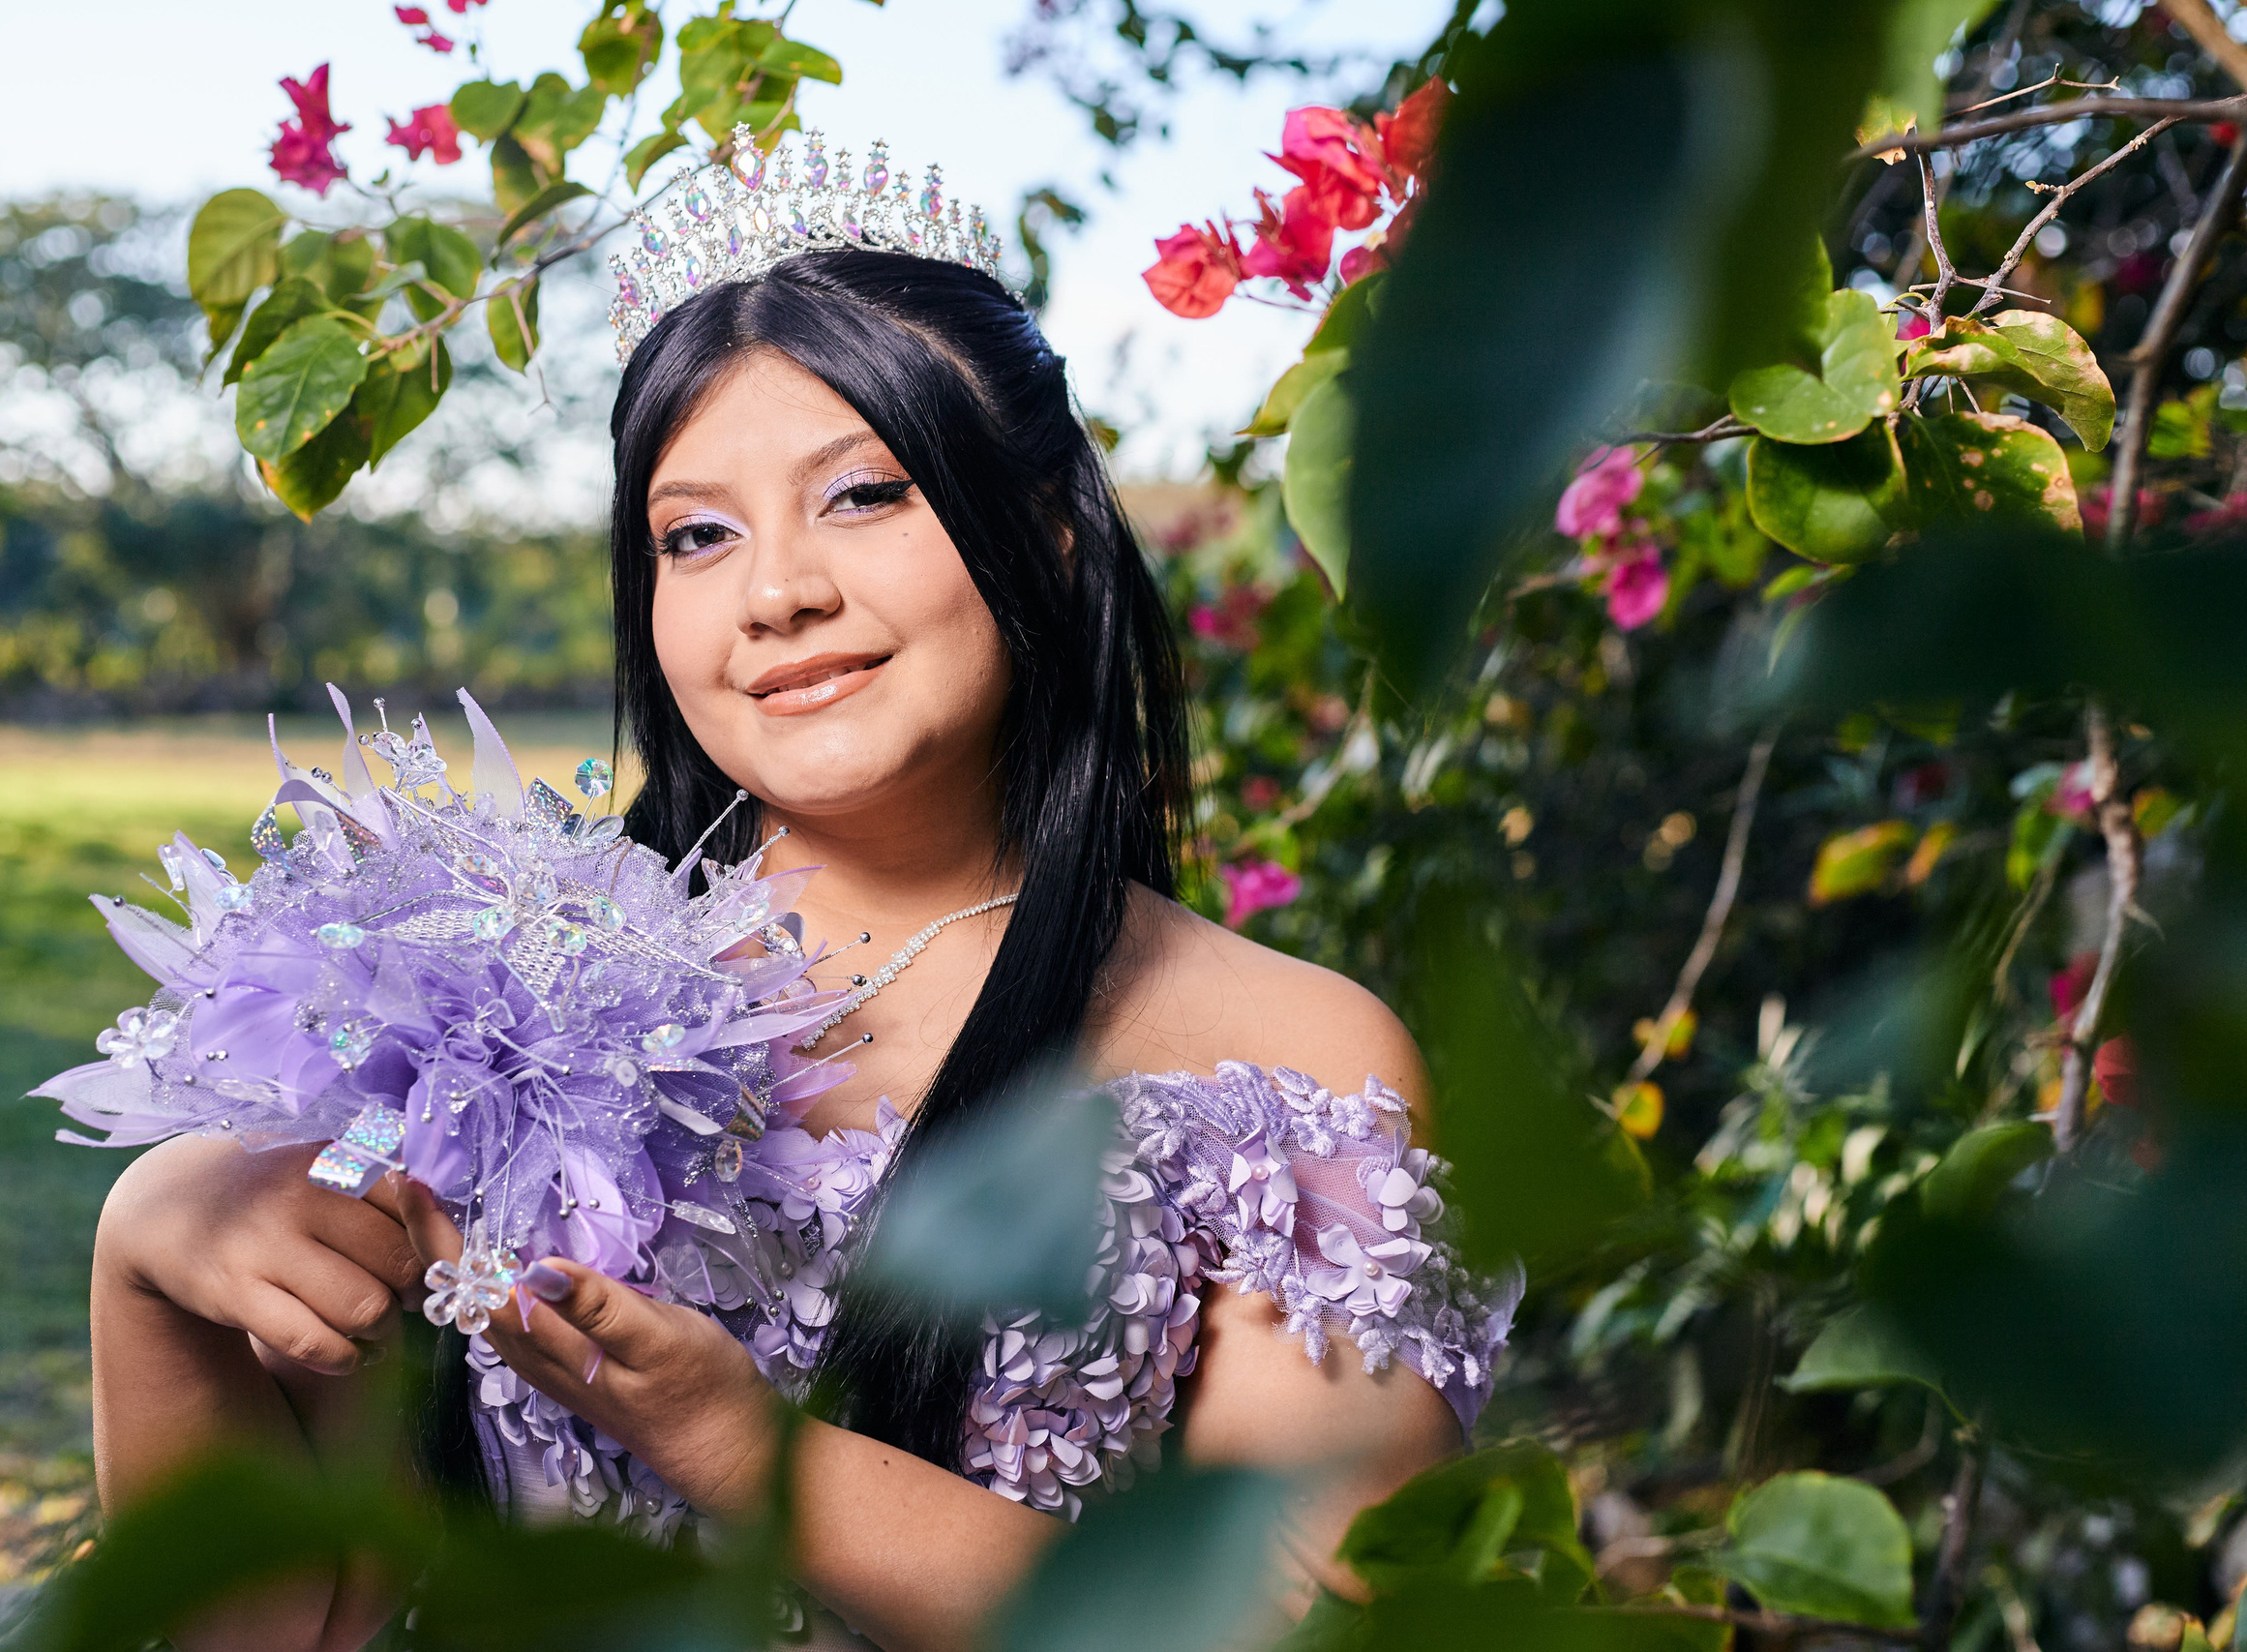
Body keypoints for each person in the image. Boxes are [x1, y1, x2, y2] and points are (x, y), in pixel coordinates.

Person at [85, 138, 1513, 1652]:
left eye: (861, 494)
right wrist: (151, 1260)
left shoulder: (1289, 1063)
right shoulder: (473, 1009)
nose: (776, 592)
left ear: (1049, 531)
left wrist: (748, 1456)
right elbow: (301, 1622)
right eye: (697, 534)